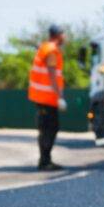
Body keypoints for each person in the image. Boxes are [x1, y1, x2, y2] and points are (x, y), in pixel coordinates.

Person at [28, 24, 67, 171]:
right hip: (47, 98)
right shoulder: (51, 51)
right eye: (63, 34)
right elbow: (52, 76)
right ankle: (45, 161)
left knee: (48, 129)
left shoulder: (45, 48)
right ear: (57, 35)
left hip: (44, 97)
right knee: (49, 129)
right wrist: (60, 96)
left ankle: (45, 160)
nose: (65, 37)